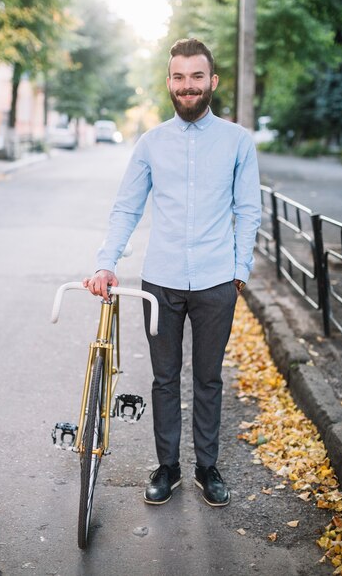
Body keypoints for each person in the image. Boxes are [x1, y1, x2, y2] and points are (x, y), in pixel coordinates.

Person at [83, 38, 261, 507]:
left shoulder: (238, 142)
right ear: (169, 83)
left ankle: (207, 467)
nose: (188, 86)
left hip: (216, 281)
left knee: (208, 378)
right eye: (179, 78)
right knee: (164, 379)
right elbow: (126, 208)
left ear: (212, 82)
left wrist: (238, 272)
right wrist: (107, 261)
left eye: (196, 77)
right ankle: (168, 467)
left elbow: (249, 210)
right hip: (160, 282)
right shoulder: (151, 143)